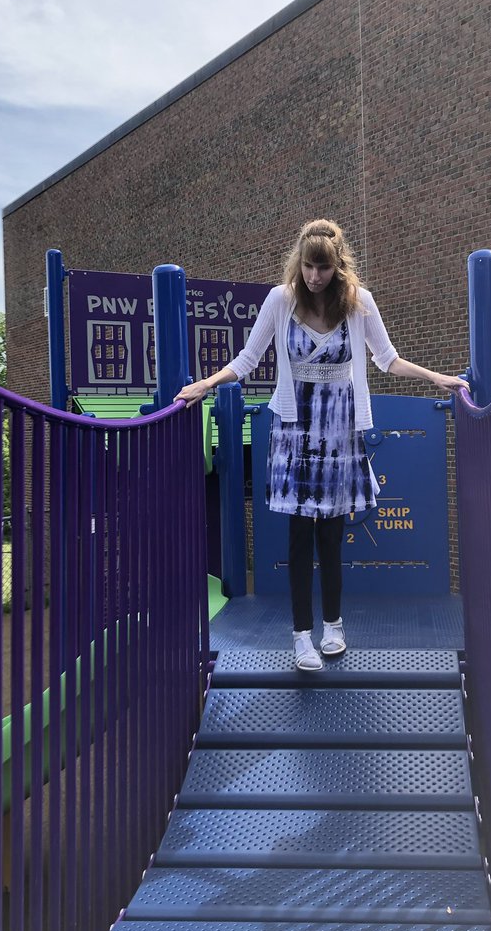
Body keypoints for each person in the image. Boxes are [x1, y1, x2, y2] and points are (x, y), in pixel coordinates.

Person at [176, 219, 468, 671]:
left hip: (340, 431)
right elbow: (248, 359)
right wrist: (206, 385)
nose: (315, 277)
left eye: (324, 268)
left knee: (332, 536)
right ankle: (300, 637)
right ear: (299, 263)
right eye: (309, 267)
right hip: (294, 429)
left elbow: (387, 360)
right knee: (298, 538)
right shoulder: (281, 300)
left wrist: (436, 377)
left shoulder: (358, 304)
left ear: (338, 266)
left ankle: (333, 626)